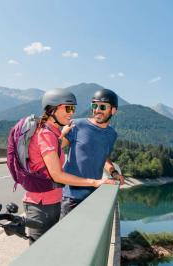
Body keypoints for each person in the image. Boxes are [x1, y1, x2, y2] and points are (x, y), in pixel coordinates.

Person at [23, 89, 114, 244]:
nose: (72, 113)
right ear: (52, 109)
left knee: (53, 247)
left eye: (73, 109)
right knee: (41, 252)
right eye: (68, 108)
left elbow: (59, 150)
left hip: (54, 200)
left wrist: (62, 134)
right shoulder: (46, 134)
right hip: (41, 203)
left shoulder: (53, 133)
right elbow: (57, 174)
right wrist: (95, 182)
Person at [60, 88, 125, 218]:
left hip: (94, 195)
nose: (97, 110)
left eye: (102, 106)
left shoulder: (112, 134)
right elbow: (56, 149)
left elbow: (103, 156)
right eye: (94, 105)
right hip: (71, 196)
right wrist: (61, 134)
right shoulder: (76, 125)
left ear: (113, 110)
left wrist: (113, 172)